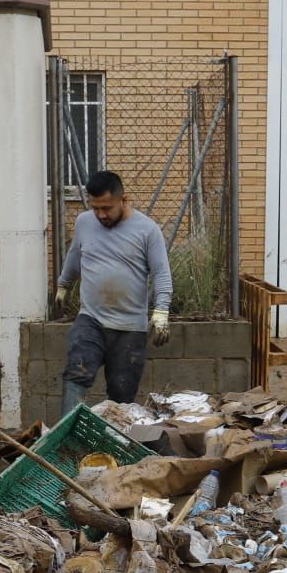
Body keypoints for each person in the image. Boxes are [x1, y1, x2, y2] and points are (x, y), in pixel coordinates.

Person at [54, 169, 171, 415]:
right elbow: (75, 255)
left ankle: (113, 445)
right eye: (95, 208)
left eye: (106, 208)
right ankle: (66, 438)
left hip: (130, 329)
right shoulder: (85, 222)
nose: (100, 215)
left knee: (121, 395)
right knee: (76, 372)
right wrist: (63, 286)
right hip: (91, 319)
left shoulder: (147, 230)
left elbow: (161, 273)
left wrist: (161, 312)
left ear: (123, 200)